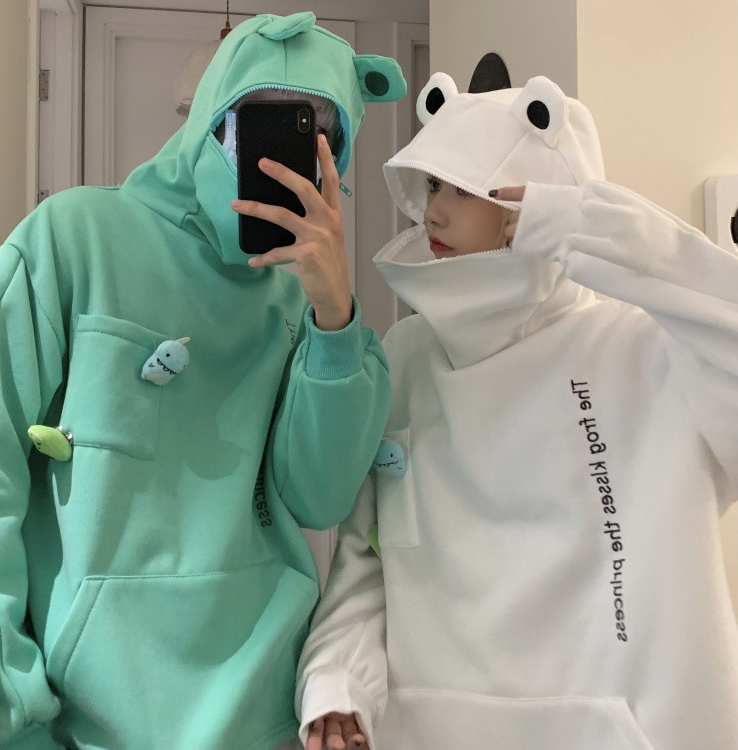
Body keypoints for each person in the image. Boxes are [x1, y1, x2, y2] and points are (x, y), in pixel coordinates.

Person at [0, 12, 406, 750]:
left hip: (267, 713)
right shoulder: (72, 239)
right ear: (210, 115)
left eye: (318, 133)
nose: (281, 157)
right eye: (256, 120)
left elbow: (319, 498)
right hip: (87, 721)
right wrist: (10, 706)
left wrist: (335, 320)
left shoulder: (302, 302)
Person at [295, 70, 738, 750]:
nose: (432, 212)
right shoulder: (406, 353)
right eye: (432, 187)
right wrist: (337, 686)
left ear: (532, 201)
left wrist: (578, 224)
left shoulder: (648, 352)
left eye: (462, 189)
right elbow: (370, 556)